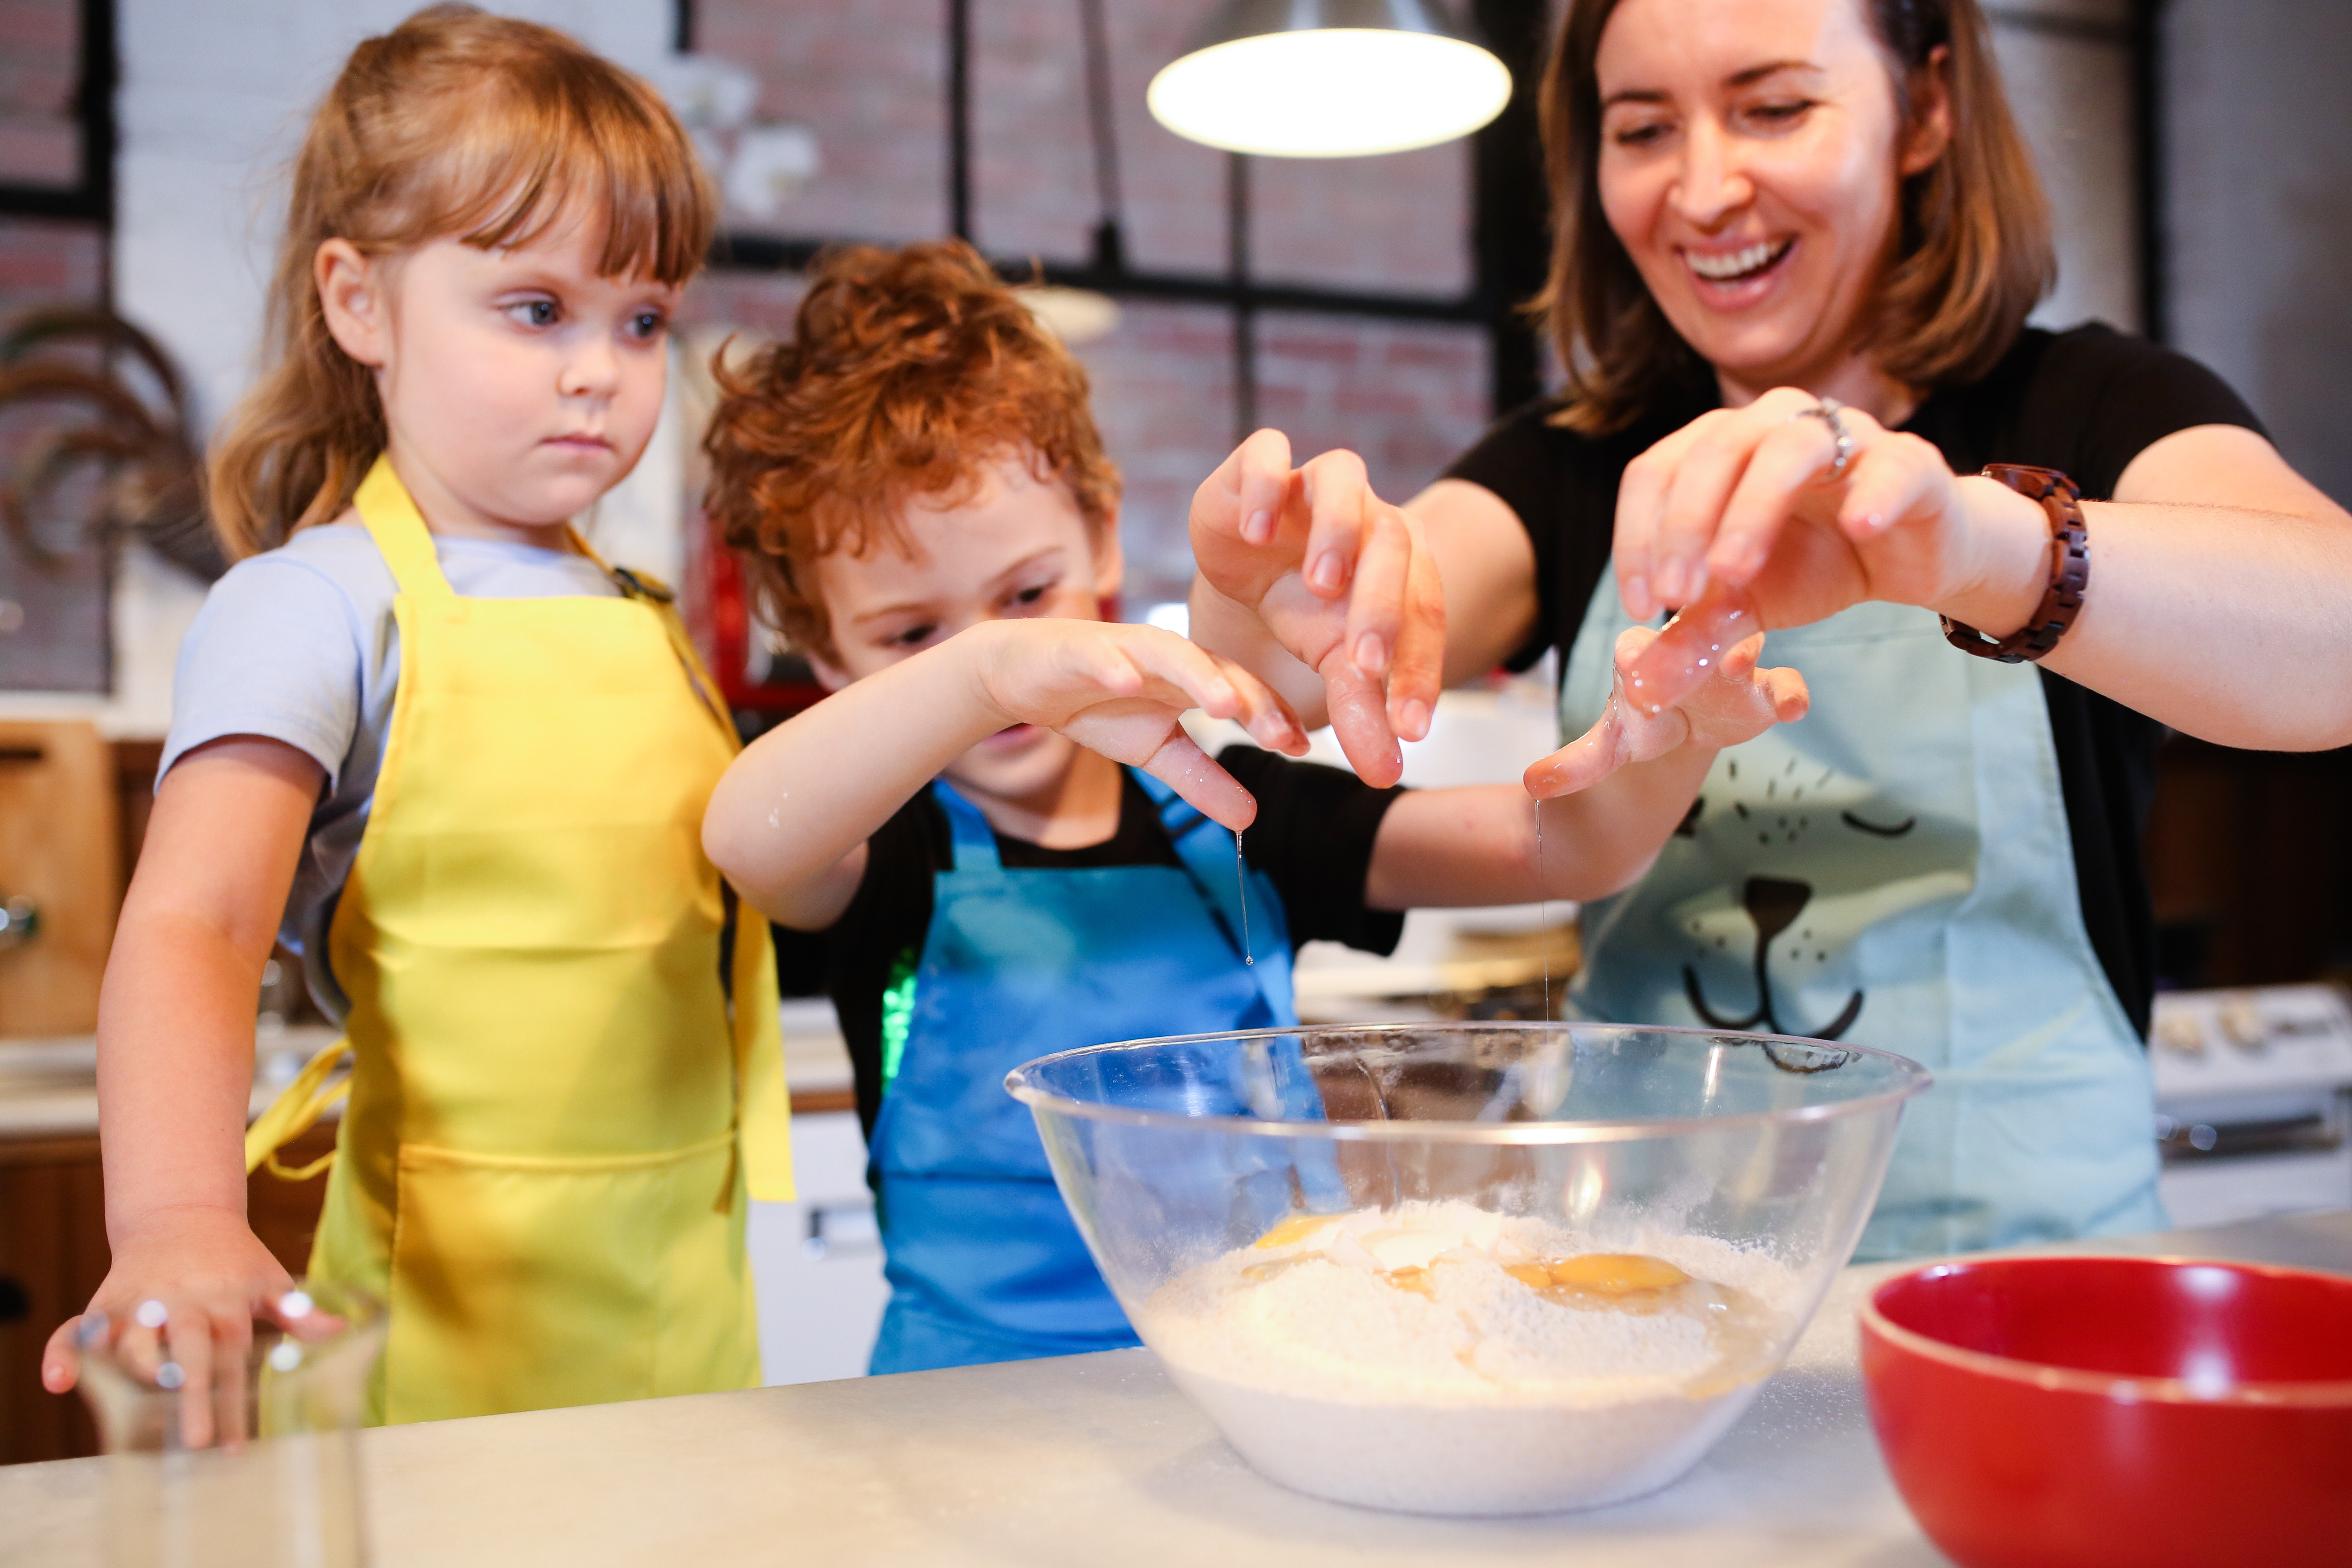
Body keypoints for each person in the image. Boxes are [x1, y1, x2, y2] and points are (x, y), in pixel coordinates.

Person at [1186, 0, 2352, 1260]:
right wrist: (1260, 594)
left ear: (1927, 108)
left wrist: (1980, 547)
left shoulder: (2095, 408)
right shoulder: (1565, 468)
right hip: (1645, 1282)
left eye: (1775, 108)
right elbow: (1303, 673)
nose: (1702, 192)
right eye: (1642, 130)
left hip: (2029, 1284)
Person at [697, 241, 1808, 1373]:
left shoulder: (1235, 812)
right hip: (954, 1413)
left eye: (1027, 598)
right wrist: (981, 671)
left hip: (1262, 1374)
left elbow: (1565, 846)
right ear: (828, 659)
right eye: (909, 637)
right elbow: (748, 838)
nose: (1010, 657)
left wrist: (1674, 744)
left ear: (1101, 534)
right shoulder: (884, 850)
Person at [40, 6, 793, 1432]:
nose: (601, 370)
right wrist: (178, 1215)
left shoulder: (640, 610)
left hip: (688, 1296)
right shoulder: (312, 605)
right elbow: (192, 924)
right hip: (442, 1323)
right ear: (360, 302)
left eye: (642, 320)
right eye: (536, 309)